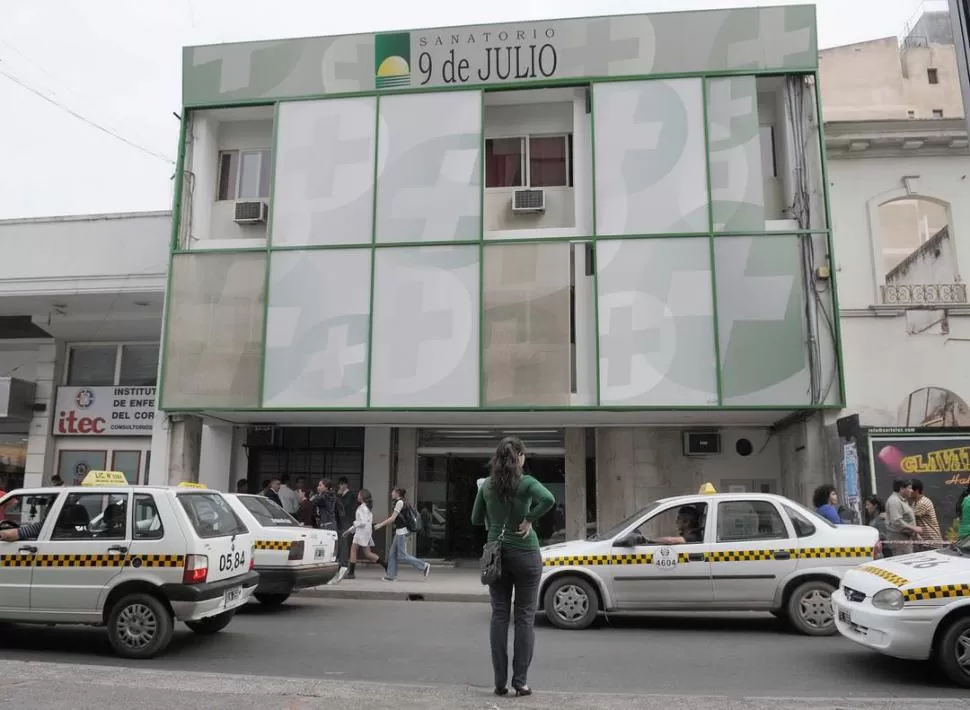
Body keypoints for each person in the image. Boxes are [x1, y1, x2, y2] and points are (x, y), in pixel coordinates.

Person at [471, 436, 555, 698]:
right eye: (523, 455)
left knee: (499, 615)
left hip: (496, 553)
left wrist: (493, 520)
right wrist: (528, 518)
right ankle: (521, 683)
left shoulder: (486, 486)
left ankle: (499, 684)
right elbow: (548, 499)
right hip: (526, 553)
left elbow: (475, 519)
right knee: (525, 616)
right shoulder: (527, 482)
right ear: (519, 457)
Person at [374, 487, 430, 582]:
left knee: (402, 555)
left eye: (393, 491)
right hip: (399, 532)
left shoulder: (400, 503)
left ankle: (424, 566)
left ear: (398, 493)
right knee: (392, 554)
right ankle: (391, 576)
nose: (391, 493)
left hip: (402, 532)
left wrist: (380, 525)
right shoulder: (400, 502)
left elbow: (392, 518)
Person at [343, 489, 386, 580]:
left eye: (359, 494)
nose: (357, 496)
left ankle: (351, 573)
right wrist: (350, 530)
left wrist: (353, 526)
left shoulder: (363, 508)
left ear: (362, 496)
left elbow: (361, 523)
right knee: (368, 553)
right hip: (364, 532)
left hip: (361, 532)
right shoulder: (366, 508)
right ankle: (386, 565)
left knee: (353, 549)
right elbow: (362, 523)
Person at [886, 478, 922, 556]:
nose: (911, 490)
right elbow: (896, 521)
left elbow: (907, 518)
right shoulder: (894, 501)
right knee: (903, 565)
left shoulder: (902, 500)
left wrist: (916, 534)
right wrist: (914, 528)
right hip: (899, 541)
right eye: (909, 488)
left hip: (905, 539)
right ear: (901, 488)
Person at [910, 479, 942, 550]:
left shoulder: (923, 503)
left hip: (931, 542)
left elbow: (909, 517)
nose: (908, 491)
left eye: (910, 489)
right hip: (925, 542)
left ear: (916, 490)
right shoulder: (915, 502)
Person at [335, 477, 355, 567]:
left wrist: (339, 496)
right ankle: (341, 560)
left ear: (345, 485)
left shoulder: (350, 495)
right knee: (341, 541)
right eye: (339, 484)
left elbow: (343, 506)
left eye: (341, 484)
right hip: (341, 521)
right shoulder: (342, 495)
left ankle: (343, 562)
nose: (340, 486)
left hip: (347, 521)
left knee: (344, 541)